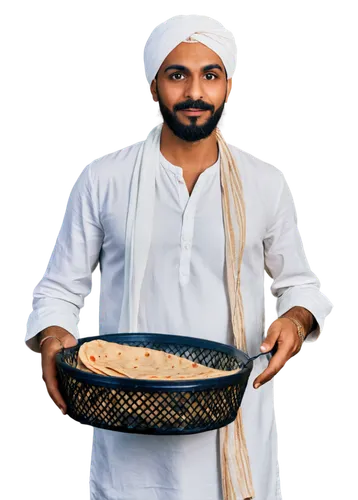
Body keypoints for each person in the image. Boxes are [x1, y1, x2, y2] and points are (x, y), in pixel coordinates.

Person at [24, 13, 334, 500]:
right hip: (127, 429)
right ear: (153, 88)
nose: (194, 92)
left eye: (210, 75)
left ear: (228, 88)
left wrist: (295, 320)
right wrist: (52, 336)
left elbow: (299, 284)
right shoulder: (104, 179)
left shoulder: (265, 184)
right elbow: (62, 287)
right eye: (177, 74)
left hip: (235, 424)